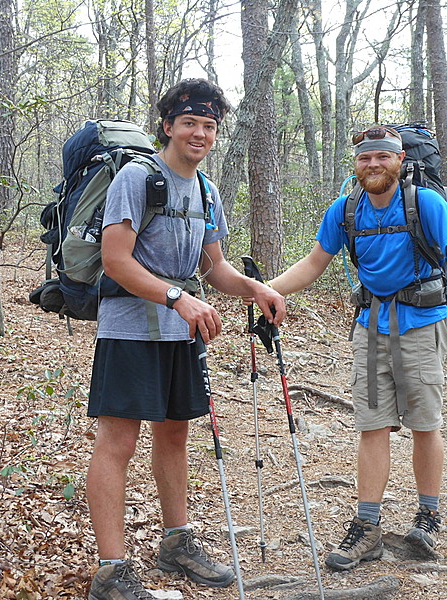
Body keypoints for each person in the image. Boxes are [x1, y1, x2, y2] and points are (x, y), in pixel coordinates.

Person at [85, 78, 286, 600]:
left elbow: (215, 267)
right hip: (130, 328)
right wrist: (178, 297)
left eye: (209, 126)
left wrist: (256, 289)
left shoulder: (207, 191)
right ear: (168, 126)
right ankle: (111, 570)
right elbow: (116, 260)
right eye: (190, 123)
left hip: (180, 331)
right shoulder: (137, 177)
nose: (200, 133)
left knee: (175, 434)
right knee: (119, 440)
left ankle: (176, 544)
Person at [268, 125, 447, 571]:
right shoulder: (346, 210)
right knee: (373, 424)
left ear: (400, 161)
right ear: (357, 163)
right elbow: (313, 264)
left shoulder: (425, 202)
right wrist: (264, 291)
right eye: (366, 158)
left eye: (383, 157)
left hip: (423, 324)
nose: (373, 164)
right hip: (369, 328)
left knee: (425, 423)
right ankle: (366, 527)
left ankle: (427, 517)